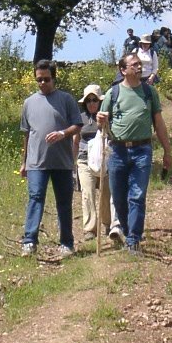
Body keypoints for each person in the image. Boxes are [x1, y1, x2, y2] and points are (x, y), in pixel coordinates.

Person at [98, 53, 172, 254]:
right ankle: (127, 229)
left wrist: (167, 151)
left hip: (142, 150)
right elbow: (102, 125)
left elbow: (159, 123)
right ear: (123, 70)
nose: (139, 67)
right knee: (119, 198)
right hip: (117, 151)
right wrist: (100, 120)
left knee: (137, 196)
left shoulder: (149, 92)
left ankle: (133, 240)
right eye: (134, 64)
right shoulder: (113, 93)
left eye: (140, 64)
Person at [19, 60, 82, 257]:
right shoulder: (29, 103)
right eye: (39, 80)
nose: (42, 83)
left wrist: (63, 133)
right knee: (35, 198)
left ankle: (67, 243)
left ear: (54, 78)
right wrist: (24, 162)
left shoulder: (66, 99)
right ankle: (29, 241)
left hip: (62, 162)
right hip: (36, 162)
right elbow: (26, 134)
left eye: (46, 79)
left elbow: (77, 125)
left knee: (64, 202)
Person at [75, 84, 113, 242]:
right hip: (84, 160)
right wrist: (73, 162)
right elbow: (76, 139)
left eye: (94, 100)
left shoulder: (107, 116)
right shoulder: (80, 118)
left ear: (100, 101)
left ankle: (108, 223)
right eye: (88, 100)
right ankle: (90, 229)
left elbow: (113, 136)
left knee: (106, 193)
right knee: (87, 193)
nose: (91, 103)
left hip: (104, 159)